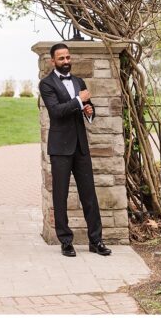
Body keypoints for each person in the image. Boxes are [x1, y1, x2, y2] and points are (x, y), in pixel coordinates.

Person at [39, 42, 111, 258]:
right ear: (53, 61)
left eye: (68, 57)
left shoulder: (79, 81)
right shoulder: (46, 84)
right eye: (61, 58)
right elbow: (56, 111)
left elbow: (88, 108)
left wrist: (88, 111)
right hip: (60, 148)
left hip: (80, 146)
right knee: (60, 195)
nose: (66, 61)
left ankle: (96, 240)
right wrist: (80, 100)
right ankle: (66, 241)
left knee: (89, 194)